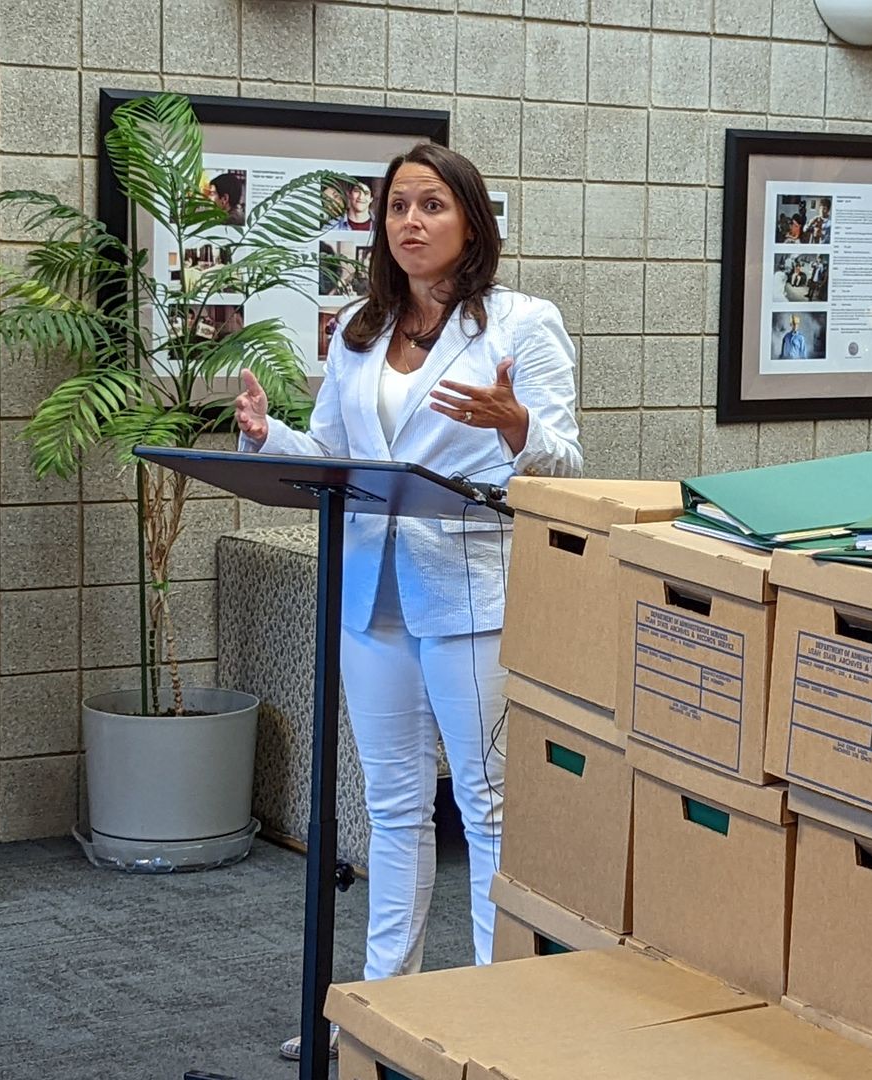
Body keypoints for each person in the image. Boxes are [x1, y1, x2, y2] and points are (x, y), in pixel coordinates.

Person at [233, 142, 582, 1061]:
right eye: (396, 208)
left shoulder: (521, 323)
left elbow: (568, 461)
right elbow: (337, 455)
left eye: (430, 205)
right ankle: (386, 1006)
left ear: (470, 220)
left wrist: (519, 428)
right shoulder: (359, 327)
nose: (410, 223)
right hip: (370, 590)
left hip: (468, 589)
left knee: (486, 804)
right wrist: (272, 439)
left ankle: (493, 1015)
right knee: (391, 805)